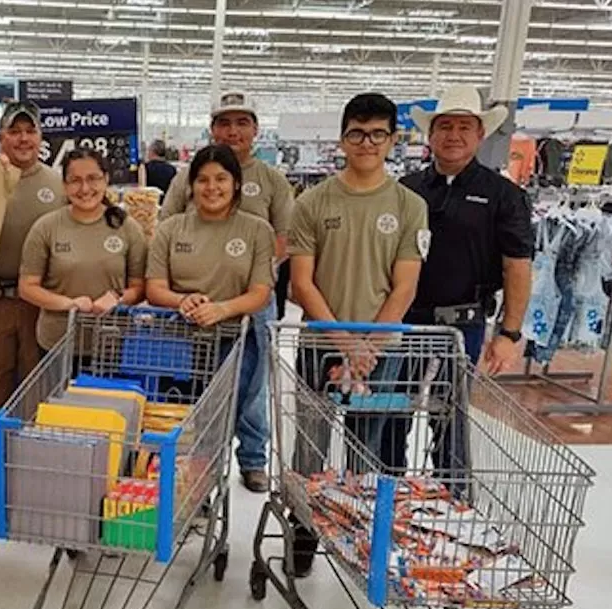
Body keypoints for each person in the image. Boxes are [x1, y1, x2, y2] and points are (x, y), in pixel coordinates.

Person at [287, 93, 429, 576]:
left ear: (392, 139)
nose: (366, 143)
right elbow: (302, 282)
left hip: (383, 350)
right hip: (319, 345)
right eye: (357, 133)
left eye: (377, 134)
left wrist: (369, 345)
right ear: (342, 138)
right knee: (309, 444)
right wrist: (346, 343)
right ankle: (304, 528)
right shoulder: (312, 202)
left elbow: (405, 285)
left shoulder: (409, 206)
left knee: (367, 447)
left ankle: (360, 532)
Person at [383, 85, 535, 472]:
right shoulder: (406, 190)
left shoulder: (504, 196)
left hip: (463, 324)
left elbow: (517, 266)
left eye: (464, 127)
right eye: (445, 126)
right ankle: (388, 491)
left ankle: (450, 494)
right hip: (404, 320)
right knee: (391, 413)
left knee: (451, 418)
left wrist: (509, 333)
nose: (454, 135)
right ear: (431, 134)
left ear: (480, 135)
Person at [160, 91, 293, 492]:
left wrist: (253, 279)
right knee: (197, 385)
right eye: (224, 123)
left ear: (255, 129)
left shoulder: (272, 180)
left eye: (241, 122)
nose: (233, 131)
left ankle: (252, 459)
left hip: (252, 301)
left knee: (251, 389)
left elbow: (283, 239)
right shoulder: (188, 176)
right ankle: (201, 462)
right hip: (192, 304)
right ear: (212, 129)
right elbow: (167, 224)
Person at [146, 144, 276, 490]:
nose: (212, 187)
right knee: (184, 416)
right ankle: (192, 487)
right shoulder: (171, 229)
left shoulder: (257, 230)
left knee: (231, 411)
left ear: (236, 183)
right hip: (178, 342)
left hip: (235, 339)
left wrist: (222, 309)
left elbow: (260, 293)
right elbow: (154, 288)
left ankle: (231, 472)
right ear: (191, 185)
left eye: (221, 178)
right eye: (202, 179)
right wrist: (182, 300)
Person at [0, 101, 65, 503]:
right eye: (15, 131)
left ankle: (32, 470)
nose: (23, 139)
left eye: (30, 131)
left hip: (40, 305)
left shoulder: (59, 184)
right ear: (1, 137)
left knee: (39, 387)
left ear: (40, 137)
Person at [19, 148, 148, 351]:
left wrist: (118, 297)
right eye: (75, 180)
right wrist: (68, 304)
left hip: (112, 344)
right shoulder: (46, 227)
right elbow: (27, 287)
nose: (85, 188)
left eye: (93, 178)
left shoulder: (127, 227)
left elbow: (139, 287)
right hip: (57, 344)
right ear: (64, 185)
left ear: (106, 180)